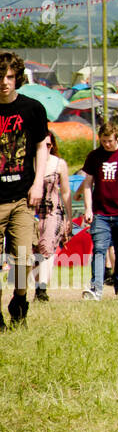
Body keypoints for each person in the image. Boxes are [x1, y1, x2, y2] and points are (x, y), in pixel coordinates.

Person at [0, 51, 48, 325]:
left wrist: (38, 182)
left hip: (22, 197)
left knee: (22, 258)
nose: (5, 82)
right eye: (0, 77)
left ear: (17, 77)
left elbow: (42, 145)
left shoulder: (32, 108)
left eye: (9, 77)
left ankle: (19, 299)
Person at [78, 122, 118, 301]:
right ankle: (96, 289)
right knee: (99, 250)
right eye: (103, 141)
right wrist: (88, 209)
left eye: (109, 141)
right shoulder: (94, 156)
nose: (106, 144)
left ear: (117, 138)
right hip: (100, 214)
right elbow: (87, 185)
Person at [33, 131, 71, 302]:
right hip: (33, 213)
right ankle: (37, 286)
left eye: (49, 145)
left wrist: (68, 217)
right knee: (33, 254)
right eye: (43, 145)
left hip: (53, 212)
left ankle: (41, 290)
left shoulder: (59, 164)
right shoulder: (29, 164)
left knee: (47, 248)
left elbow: (66, 192)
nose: (46, 149)